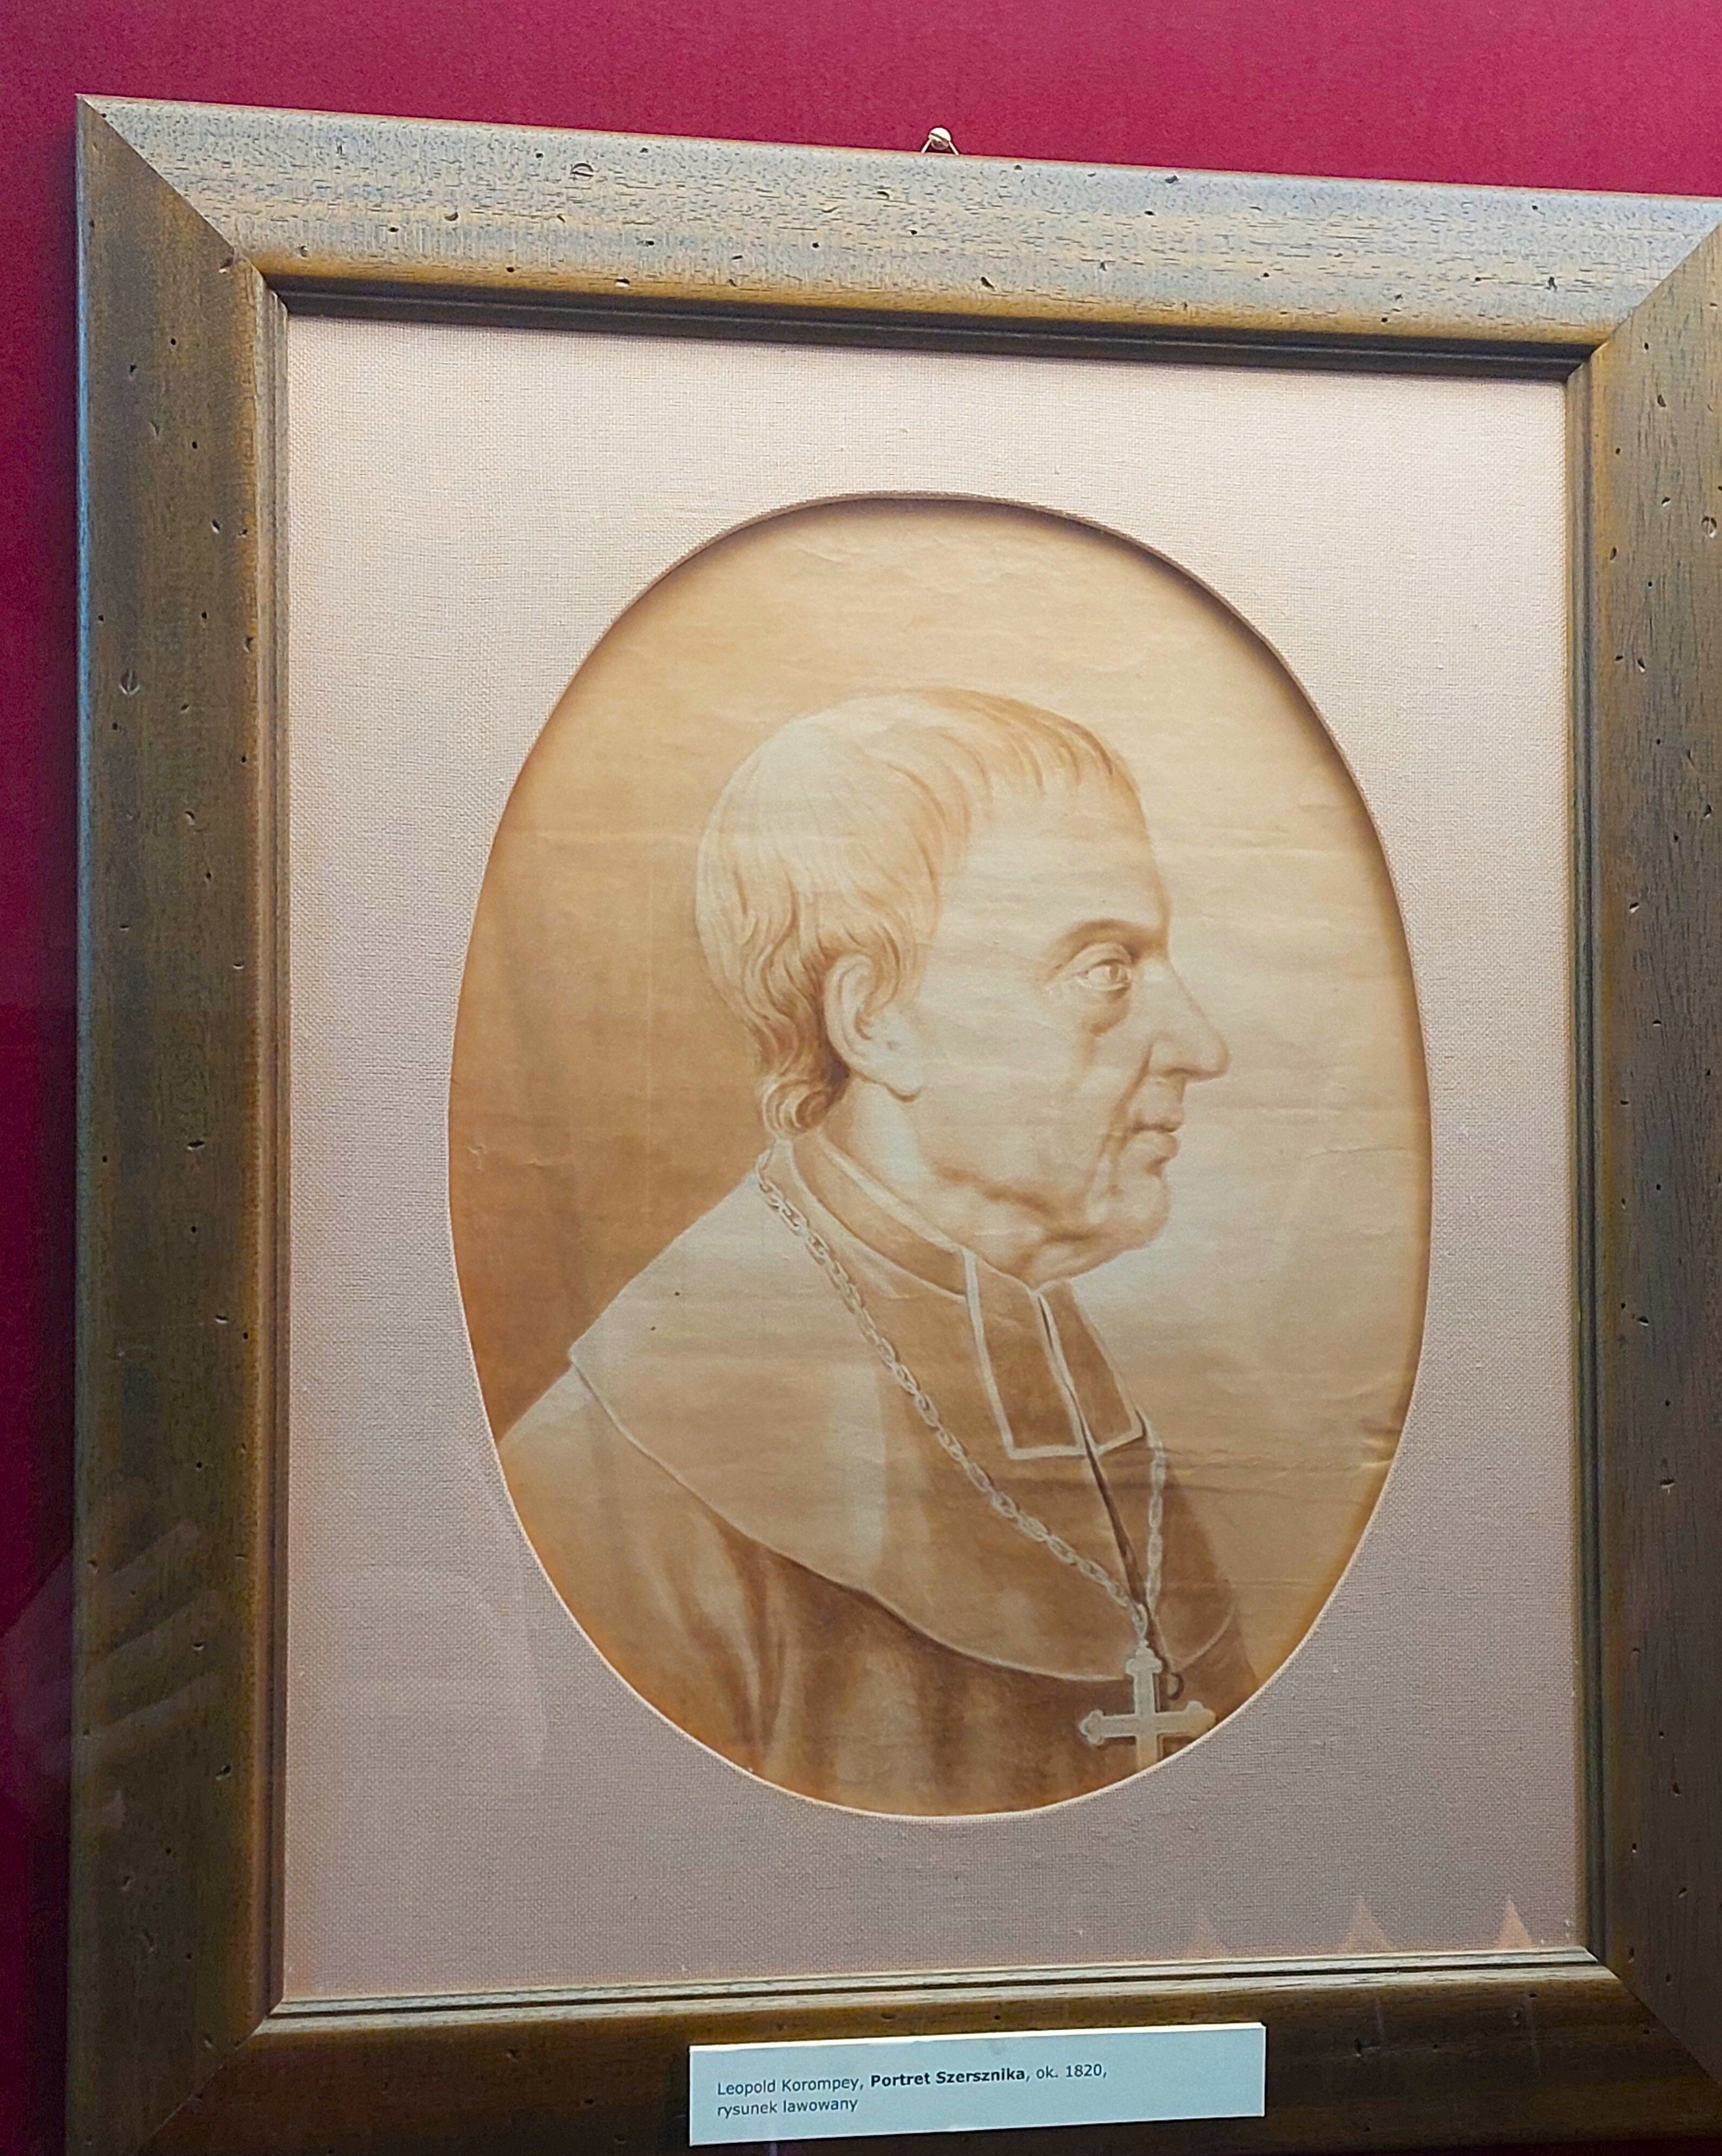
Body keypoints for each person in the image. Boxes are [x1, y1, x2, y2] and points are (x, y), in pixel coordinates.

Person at [500, 688, 1260, 1814]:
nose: (1202, 1043)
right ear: (876, 1022)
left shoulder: (1050, 1366)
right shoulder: (612, 1493)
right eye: (1105, 970)